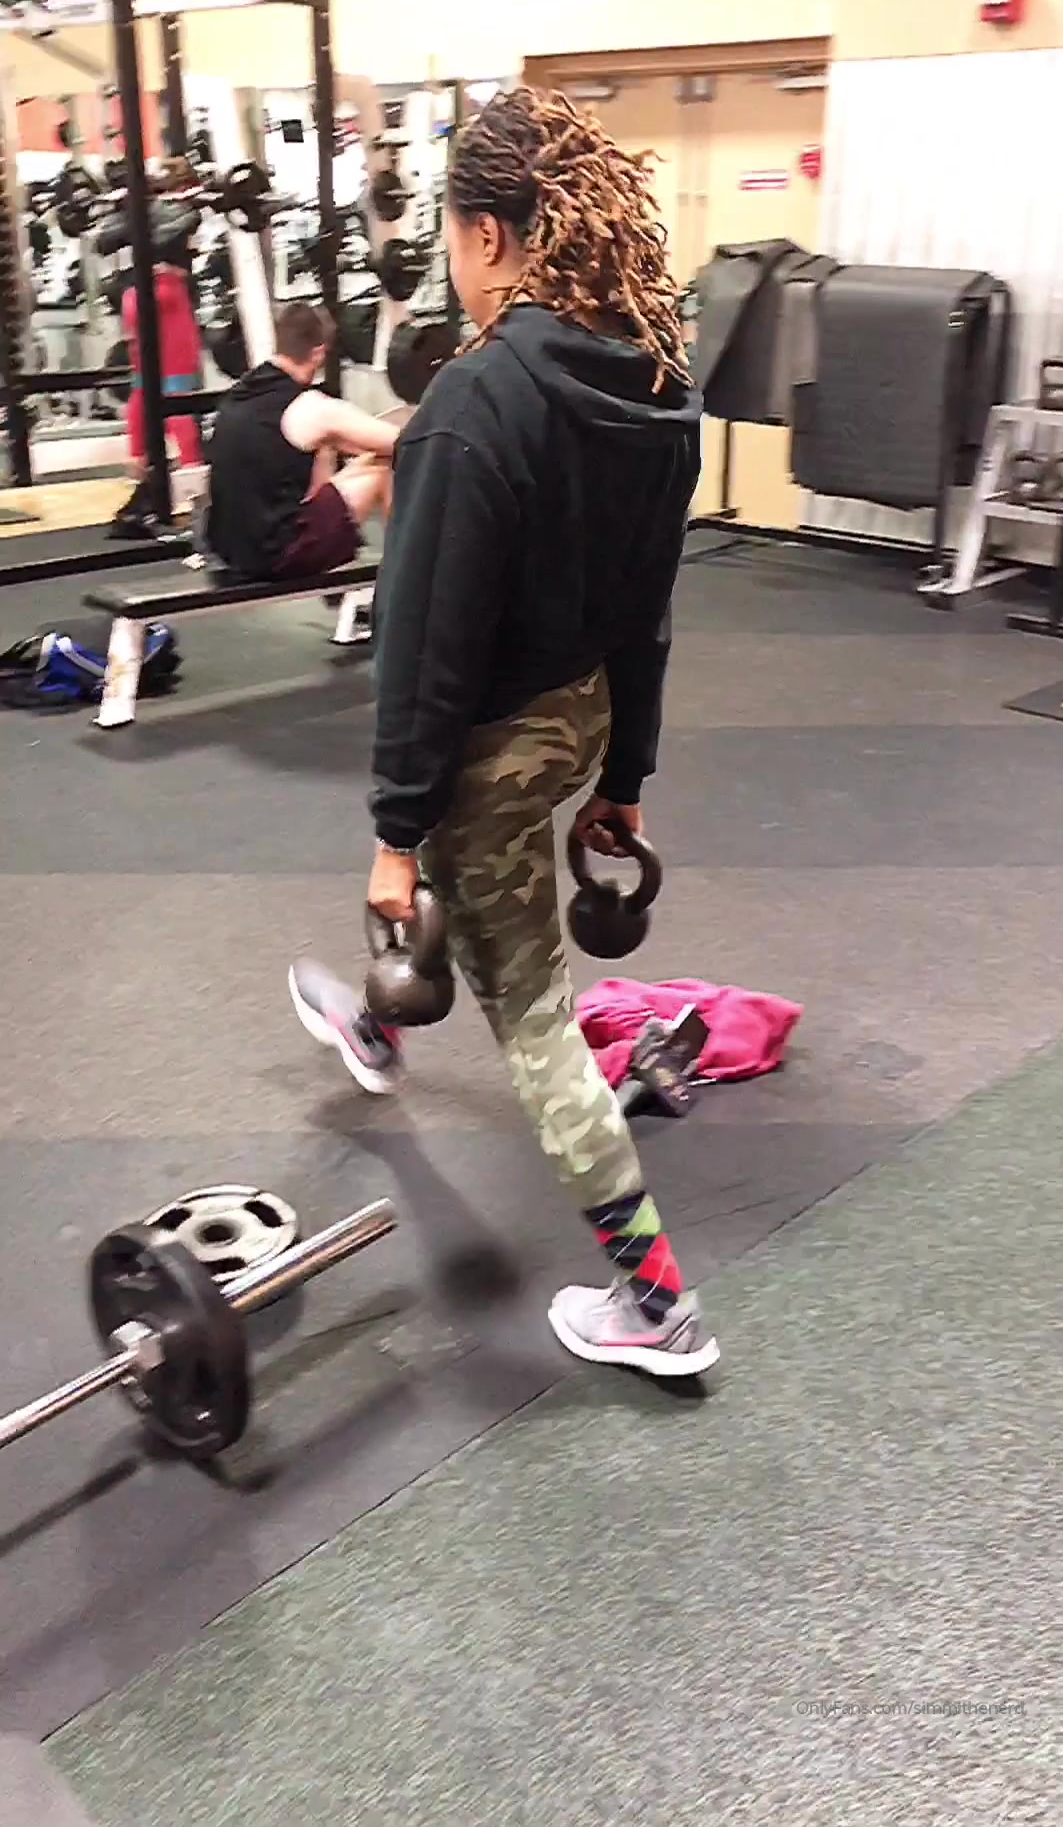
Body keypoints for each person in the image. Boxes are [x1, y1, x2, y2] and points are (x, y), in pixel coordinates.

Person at [291, 88, 717, 1378]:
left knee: (532, 1017)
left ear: (487, 234)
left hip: (490, 754)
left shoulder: (475, 404)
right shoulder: (658, 386)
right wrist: (625, 776)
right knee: (475, 915)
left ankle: (657, 1305)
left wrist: (394, 833)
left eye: (451, 238)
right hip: (583, 719)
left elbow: (427, 648)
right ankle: (379, 1027)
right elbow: (646, 610)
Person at [206, 301, 400, 581]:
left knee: (334, 451)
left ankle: (347, 583)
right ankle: (406, 581)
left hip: (231, 550)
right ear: (319, 353)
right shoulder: (311, 408)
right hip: (276, 558)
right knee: (385, 468)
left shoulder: (238, 396)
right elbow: (401, 442)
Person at [109, 158, 204, 539]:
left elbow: (106, 240)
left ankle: (143, 474)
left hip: (135, 294)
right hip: (166, 294)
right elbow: (169, 234)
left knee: (144, 386)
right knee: (177, 392)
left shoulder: (137, 212)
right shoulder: (184, 211)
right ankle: (192, 493)